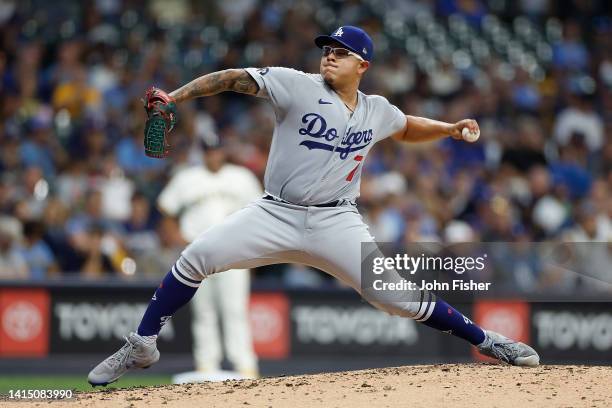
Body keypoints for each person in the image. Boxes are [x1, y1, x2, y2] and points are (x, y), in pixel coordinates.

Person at [88, 25, 539, 386]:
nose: (329, 54)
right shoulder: (295, 85)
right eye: (327, 48)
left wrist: (448, 128)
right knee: (195, 257)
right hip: (274, 212)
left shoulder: (376, 109)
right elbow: (230, 79)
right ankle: (143, 343)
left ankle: (487, 341)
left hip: (336, 221)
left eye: (341, 51)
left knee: (396, 296)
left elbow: (405, 127)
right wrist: (176, 97)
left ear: (362, 64)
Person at [157, 135, 261, 379]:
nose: (214, 155)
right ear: (203, 153)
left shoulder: (241, 177)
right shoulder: (187, 178)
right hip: (198, 254)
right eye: (209, 151)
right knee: (204, 312)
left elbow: (259, 214)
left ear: (223, 151)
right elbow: (165, 209)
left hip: (234, 253)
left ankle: (245, 366)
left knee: (235, 310)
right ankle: (207, 366)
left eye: (217, 150)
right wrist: (176, 237)